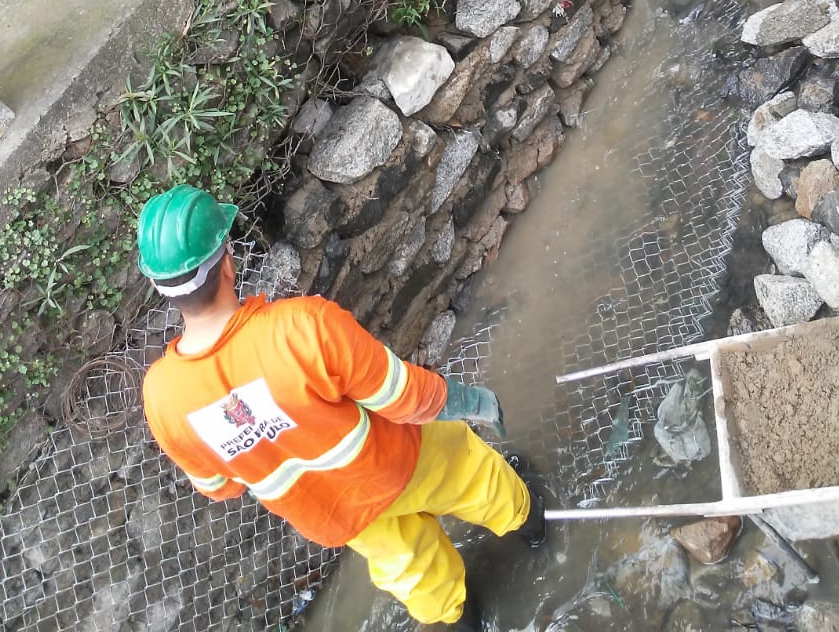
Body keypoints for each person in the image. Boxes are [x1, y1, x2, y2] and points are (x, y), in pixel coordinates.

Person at [137, 186, 546, 631]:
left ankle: (460, 620)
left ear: (163, 289)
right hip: (401, 459)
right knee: (481, 482)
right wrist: (472, 402)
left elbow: (220, 486)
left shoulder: (161, 396)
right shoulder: (302, 327)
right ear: (229, 262)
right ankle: (533, 528)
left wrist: (270, 442)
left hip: (335, 510)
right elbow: (402, 395)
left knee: (413, 569)